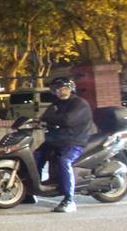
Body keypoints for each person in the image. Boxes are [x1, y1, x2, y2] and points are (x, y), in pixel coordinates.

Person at [25, 78, 93, 213]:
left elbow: (68, 120)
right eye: (57, 89)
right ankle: (31, 191)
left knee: (64, 161)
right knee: (36, 157)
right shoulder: (55, 104)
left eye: (62, 88)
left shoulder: (79, 104)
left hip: (74, 141)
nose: (60, 91)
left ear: (70, 88)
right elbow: (44, 117)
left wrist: (49, 119)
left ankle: (69, 199)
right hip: (56, 140)